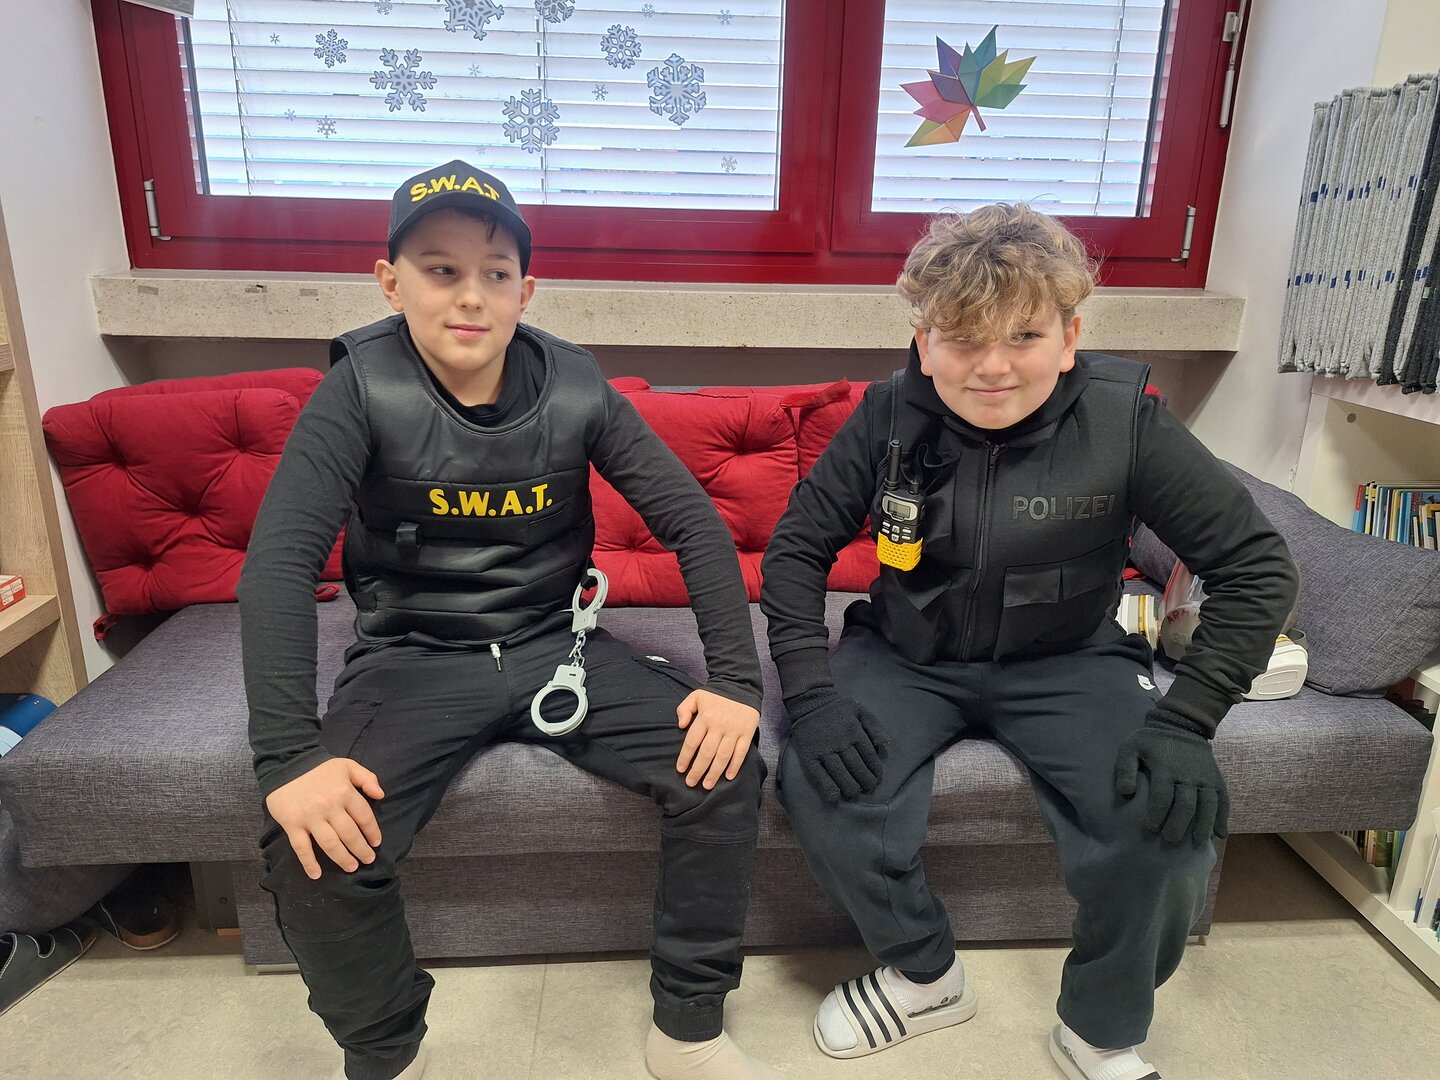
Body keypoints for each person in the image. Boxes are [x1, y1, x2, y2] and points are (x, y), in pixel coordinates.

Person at [239, 162, 778, 1080]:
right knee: (311, 849)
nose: (470, 296)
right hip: (412, 657)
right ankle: (386, 1055)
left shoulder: (575, 383)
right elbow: (281, 565)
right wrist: (288, 757)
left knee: (723, 770)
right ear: (391, 282)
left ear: (525, 292)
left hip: (553, 644)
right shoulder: (358, 387)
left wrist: (734, 682)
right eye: (440, 270)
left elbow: (692, 521)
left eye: (495, 273)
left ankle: (688, 1029)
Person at [759, 204, 1300, 1079]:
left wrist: (1188, 719)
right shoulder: (887, 415)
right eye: (963, 339)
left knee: (1164, 825)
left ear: (1070, 335)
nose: (994, 367)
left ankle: (1100, 1027)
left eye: (1024, 335)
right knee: (821, 782)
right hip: (907, 654)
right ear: (924, 340)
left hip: (1072, 658)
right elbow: (794, 552)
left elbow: (1258, 567)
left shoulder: (1128, 421)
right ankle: (925, 977)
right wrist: (812, 696)